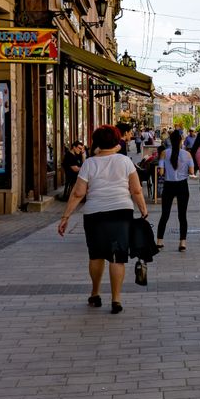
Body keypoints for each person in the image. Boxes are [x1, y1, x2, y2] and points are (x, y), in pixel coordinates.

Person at [57, 124, 149, 314]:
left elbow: (78, 193)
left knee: (96, 254)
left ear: (96, 142)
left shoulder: (89, 163)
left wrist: (65, 216)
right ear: (116, 141)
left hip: (94, 214)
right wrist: (143, 210)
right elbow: (136, 190)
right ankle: (116, 299)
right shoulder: (125, 161)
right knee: (118, 256)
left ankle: (95, 292)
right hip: (121, 212)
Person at [157, 129, 193, 252]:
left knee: (165, 214)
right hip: (182, 186)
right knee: (182, 215)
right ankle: (182, 242)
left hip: (169, 185)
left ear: (170, 141)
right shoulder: (187, 155)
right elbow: (192, 172)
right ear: (181, 140)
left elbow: (161, 172)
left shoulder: (164, 153)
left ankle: (159, 241)